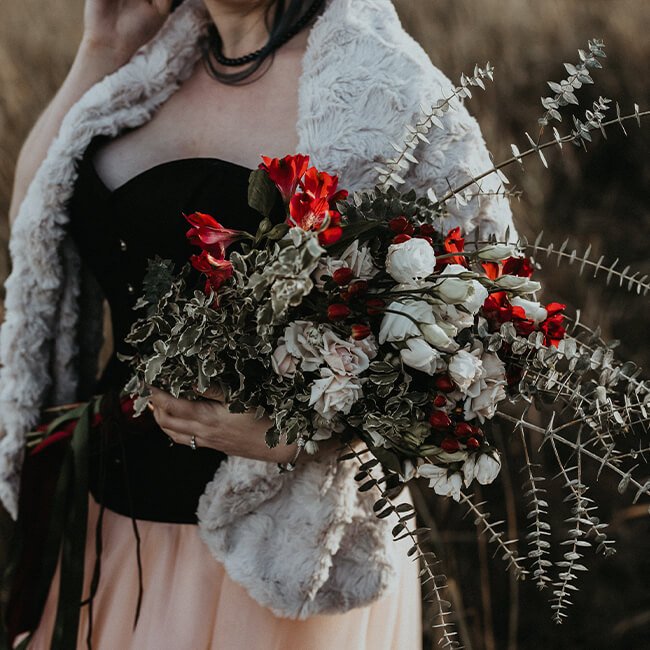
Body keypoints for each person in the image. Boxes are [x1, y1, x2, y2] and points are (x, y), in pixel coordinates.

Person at [0, 0, 514, 648]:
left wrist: (313, 434)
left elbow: (490, 336)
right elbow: (32, 230)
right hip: (110, 524)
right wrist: (100, 48)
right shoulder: (147, 64)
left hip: (278, 554)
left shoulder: (385, 88)